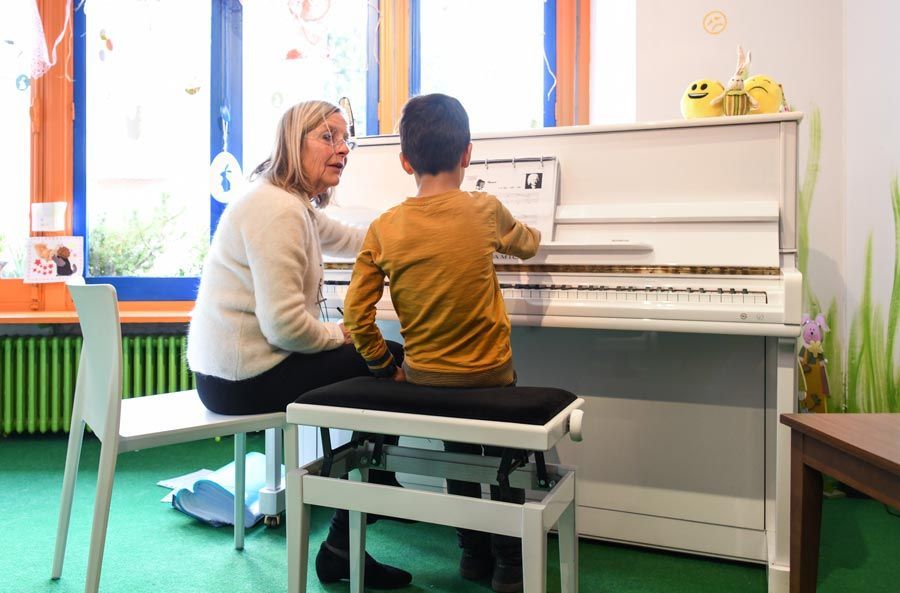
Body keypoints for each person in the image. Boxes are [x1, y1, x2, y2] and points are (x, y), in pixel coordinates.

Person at [186, 100, 411, 589]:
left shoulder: (289, 203)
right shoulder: (278, 210)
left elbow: (352, 239)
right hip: (242, 379)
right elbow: (286, 327)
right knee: (384, 356)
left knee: (378, 358)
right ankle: (354, 518)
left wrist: (412, 230)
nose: (343, 148)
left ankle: (364, 489)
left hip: (234, 370)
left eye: (345, 137)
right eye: (328, 137)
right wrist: (344, 335)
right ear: (294, 140)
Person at [342, 93, 541, 593]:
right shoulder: (486, 210)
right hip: (490, 376)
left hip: (426, 379)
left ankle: (471, 553)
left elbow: (354, 315)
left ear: (405, 161)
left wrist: (387, 368)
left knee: (458, 446)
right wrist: (526, 233)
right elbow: (528, 243)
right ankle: (510, 564)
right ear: (468, 154)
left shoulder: (384, 227)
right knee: (500, 452)